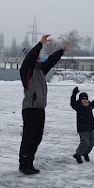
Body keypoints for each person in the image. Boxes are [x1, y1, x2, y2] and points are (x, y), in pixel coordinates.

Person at [19, 34, 70, 175]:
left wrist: (61, 50)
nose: (38, 57)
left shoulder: (40, 70)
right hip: (30, 109)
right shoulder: (26, 71)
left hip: (40, 109)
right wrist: (40, 44)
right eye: (36, 55)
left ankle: (29, 162)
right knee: (28, 138)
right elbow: (29, 59)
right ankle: (24, 165)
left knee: (37, 137)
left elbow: (51, 61)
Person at [70, 85, 94, 164]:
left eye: (86, 99)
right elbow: (72, 103)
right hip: (82, 129)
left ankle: (85, 153)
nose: (85, 101)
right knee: (85, 143)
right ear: (80, 100)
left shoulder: (90, 106)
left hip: (90, 128)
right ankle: (78, 154)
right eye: (83, 100)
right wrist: (74, 94)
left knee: (92, 141)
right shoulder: (78, 107)